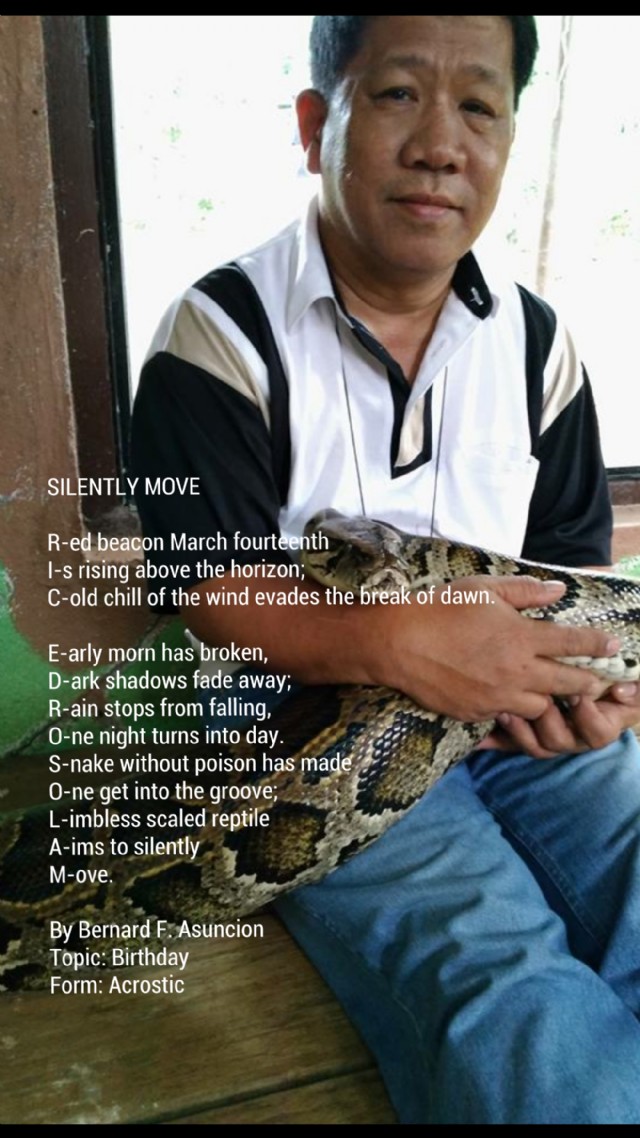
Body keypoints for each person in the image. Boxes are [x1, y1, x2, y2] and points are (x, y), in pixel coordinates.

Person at [131, 16, 640, 1123]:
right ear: (318, 124)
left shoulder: (539, 346)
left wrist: (595, 691)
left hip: (516, 719)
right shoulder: (216, 333)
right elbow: (214, 589)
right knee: (502, 986)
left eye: (480, 107)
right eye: (400, 94)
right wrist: (400, 643)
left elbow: (574, 579)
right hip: (299, 717)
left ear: (507, 142)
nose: (440, 145)